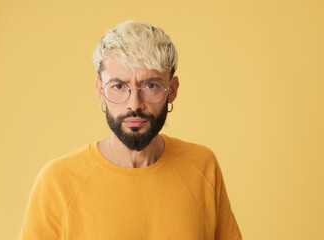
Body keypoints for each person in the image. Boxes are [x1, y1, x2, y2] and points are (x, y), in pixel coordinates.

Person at [18, 20, 242, 239]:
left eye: (150, 85)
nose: (134, 104)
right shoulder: (58, 181)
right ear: (100, 91)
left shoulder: (203, 166)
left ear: (172, 90)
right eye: (118, 86)